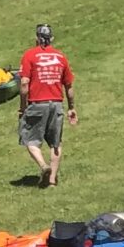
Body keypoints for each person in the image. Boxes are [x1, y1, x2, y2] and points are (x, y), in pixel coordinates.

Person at [17, 22, 76, 189]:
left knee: (30, 139)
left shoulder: (30, 55)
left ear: (37, 38)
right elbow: (69, 86)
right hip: (56, 104)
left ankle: (44, 167)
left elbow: (24, 84)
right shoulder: (61, 57)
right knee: (55, 143)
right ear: (52, 38)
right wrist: (71, 107)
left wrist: (22, 108)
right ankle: (52, 181)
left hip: (37, 104)